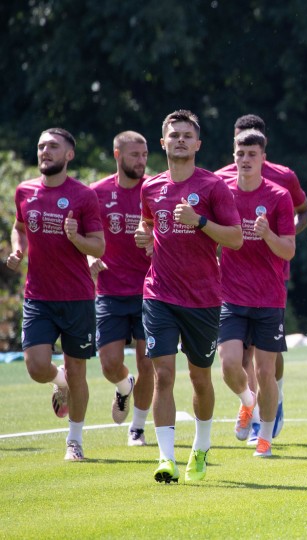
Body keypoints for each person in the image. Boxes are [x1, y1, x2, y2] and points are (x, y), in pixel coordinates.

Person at [135, 110, 242, 483]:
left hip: (203, 298)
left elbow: (236, 238)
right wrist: (144, 235)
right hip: (159, 293)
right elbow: (147, 222)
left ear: (198, 144)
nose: (180, 140)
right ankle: (166, 459)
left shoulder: (214, 187)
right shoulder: (150, 187)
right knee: (162, 374)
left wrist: (198, 220)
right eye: (173, 135)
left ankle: (201, 446)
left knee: (200, 378)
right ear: (162, 143)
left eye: (187, 135)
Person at [8, 128, 104, 461]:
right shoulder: (25, 191)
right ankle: (58, 379)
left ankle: (74, 441)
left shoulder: (83, 195)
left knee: (80, 371)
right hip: (38, 296)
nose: (44, 151)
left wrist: (77, 238)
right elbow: (19, 227)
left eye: (52, 146)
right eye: (40, 146)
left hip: (77, 296)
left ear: (69, 155)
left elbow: (99, 245)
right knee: (36, 366)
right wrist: (18, 250)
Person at [215, 114, 307, 445]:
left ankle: (265, 437)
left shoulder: (279, 193)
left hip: (269, 294)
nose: (244, 160)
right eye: (239, 154)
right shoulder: (221, 189)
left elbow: (288, 250)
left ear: (263, 158)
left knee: (265, 370)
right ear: (233, 154)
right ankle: (247, 402)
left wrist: (268, 233)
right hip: (229, 292)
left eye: (251, 154)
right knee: (229, 364)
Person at [89, 131, 155, 446]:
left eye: (144, 155)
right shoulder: (96, 193)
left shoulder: (156, 190)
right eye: (134, 155)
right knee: (109, 363)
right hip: (111, 290)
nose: (141, 161)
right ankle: (123, 385)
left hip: (151, 290)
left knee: (148, 362)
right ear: (117, 155)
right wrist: (90, 256)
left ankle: (138, 429)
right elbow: (85, 236)